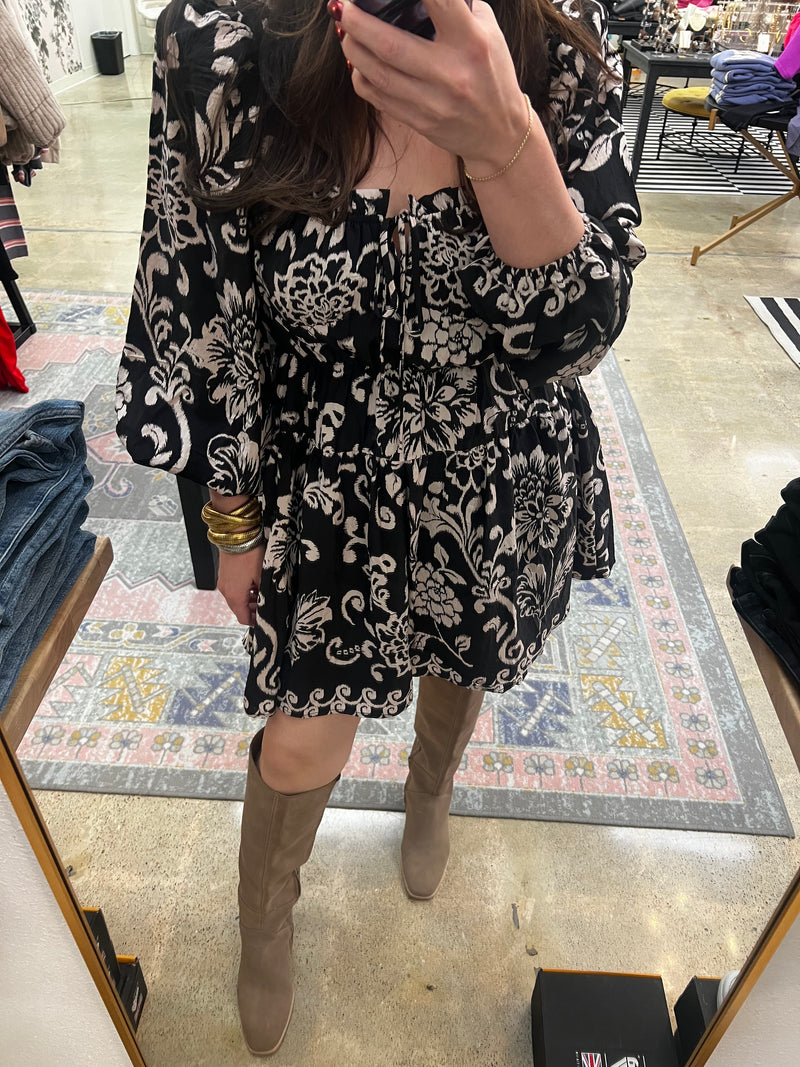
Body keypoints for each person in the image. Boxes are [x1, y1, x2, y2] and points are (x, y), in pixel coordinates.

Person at [116, 0, 645, 1054]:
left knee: (463, 658)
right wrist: (232, 519)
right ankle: (266, 914)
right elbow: (199, 317)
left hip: (496, 462)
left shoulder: (558, 42)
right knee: (298, 739)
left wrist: (503, 138)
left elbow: (578, 338)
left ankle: (430, 785)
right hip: (327, 479)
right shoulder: (221, 42)